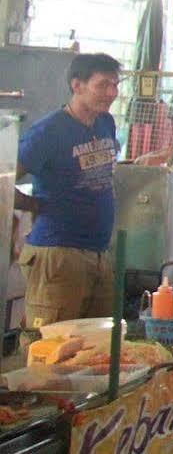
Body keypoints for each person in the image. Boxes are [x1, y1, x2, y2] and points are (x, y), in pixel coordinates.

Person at [16, 53, 121, 327]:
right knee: (52, 347)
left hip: (99, 251)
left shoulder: (105, 123)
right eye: (103, 85)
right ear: (77, 85)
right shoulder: (48, 132)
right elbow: (5, 178)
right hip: (59, 253)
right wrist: (32, 204)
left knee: (94, 350)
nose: (111, 93)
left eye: (115, 84)